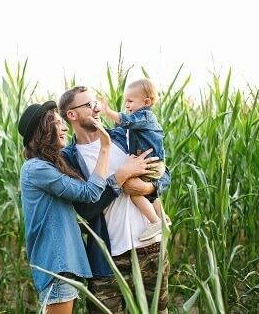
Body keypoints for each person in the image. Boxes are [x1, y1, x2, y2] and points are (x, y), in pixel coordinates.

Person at [18, 100, 156, 314]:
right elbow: (89, 193)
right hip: (57, 264)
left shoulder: (47, 166)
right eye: (56, 123)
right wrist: (106, 149)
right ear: (43, 131)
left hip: (63, 264)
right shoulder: (36, 169)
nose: (63, 127)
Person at [58, 87, 171, 314]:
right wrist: (120, 178)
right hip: (108, 259)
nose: (97, 108)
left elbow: (163, 171)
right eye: (89, 105)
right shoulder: (68, 159)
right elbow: (86, 210)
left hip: (151, 250)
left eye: (96, 103)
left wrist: (147, 186)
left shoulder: (123, 135)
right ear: (72, 115)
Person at [99, 78, 169, 241]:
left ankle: (155, 221)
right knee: (150, 192)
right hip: (153, 163)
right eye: (126, 101)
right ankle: (162, 217)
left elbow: (126, 121)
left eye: (130, 101)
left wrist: (108, 112)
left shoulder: (144, 116)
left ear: (146, 102)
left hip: (150, 163)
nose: (127, 105)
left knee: (132, 190)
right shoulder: (142, 120)